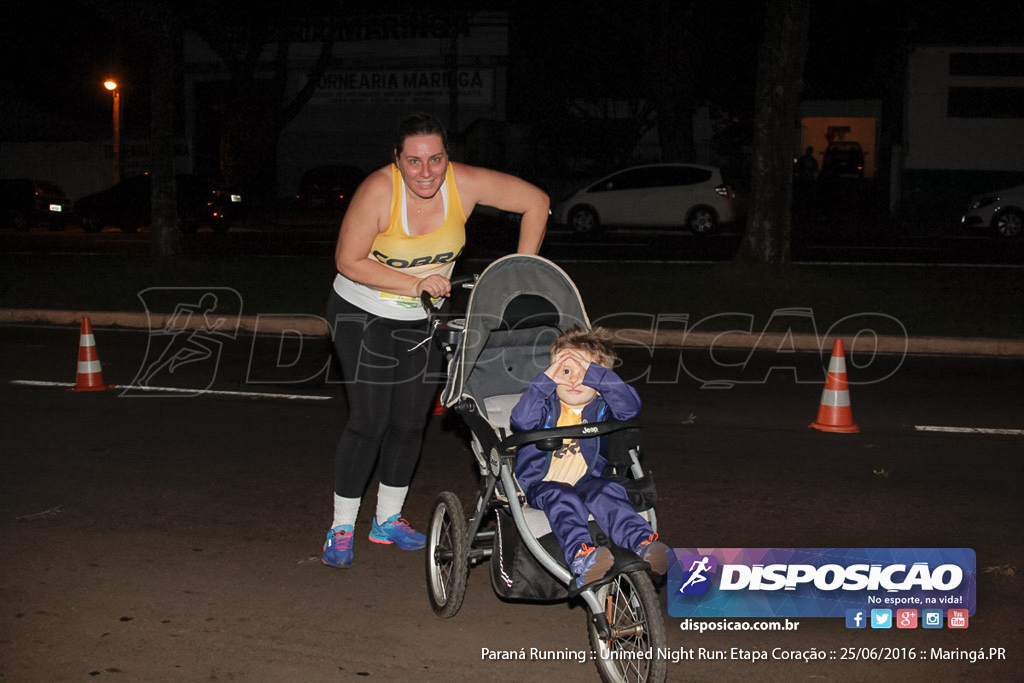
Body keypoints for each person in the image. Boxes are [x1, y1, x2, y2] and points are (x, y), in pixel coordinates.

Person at [322, 113, 549, 568]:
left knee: (409, 420)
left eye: (435, 159)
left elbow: (537, 202)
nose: (425, 172)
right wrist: (414, 284)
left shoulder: (463, 184)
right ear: (397, 160)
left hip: (421, 317)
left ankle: (387, 521)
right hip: (361, 312)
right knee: (370, 420)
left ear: (447, 157)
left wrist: (517, 271)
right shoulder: (379, 191)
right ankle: (341, 527)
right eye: (414, 161)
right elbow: (348, 260)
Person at [510, 326, 670, 588]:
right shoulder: (545, 406)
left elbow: (630, 408)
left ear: (599, 386)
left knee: (607, 490)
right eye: (565, 371)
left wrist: (596, 373)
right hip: (542, 485)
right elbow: (521, 420)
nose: (573, 380)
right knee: (562, 495)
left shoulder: (602, 408)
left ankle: (643, 543)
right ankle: (582, 558)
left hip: (587, 481)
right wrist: (546, 380)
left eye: (584, 374)